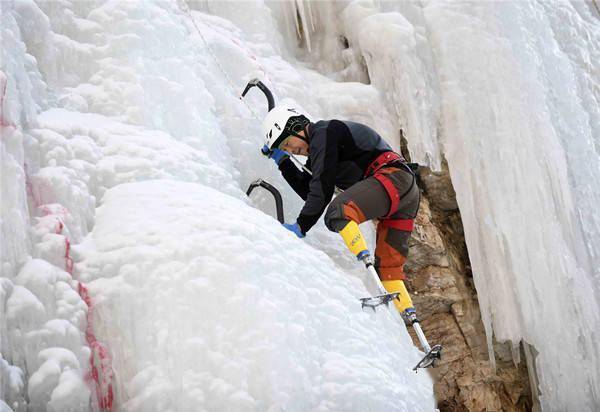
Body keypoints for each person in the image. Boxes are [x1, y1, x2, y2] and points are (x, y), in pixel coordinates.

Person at [261, 104, 420, 316]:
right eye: (287, 150)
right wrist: (283, 162)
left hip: (394, 180)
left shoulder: (324, 133)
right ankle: (412, 322)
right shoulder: (321, 149)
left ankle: (363, 259)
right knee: (388, 269)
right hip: (404, 196)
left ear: (296, 127)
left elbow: (322, 190)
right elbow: (311, 192)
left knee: (339, 211)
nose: (292, 151)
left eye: (289, 143)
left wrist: (301, 226)